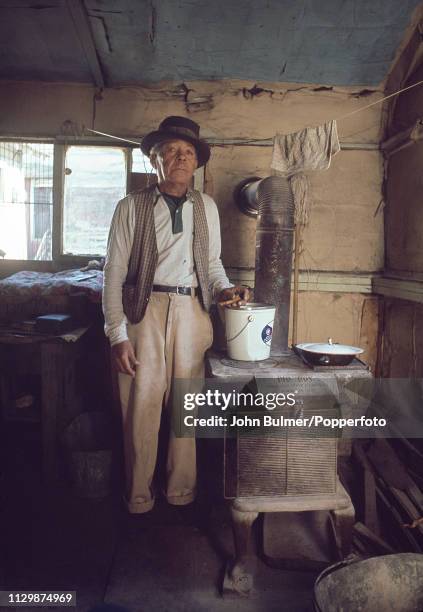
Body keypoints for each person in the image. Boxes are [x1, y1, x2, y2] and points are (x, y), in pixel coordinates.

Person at [102, 116, 249, 513]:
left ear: (197, 162)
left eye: (188, 152)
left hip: (193, 313)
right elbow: (113, 273)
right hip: (143, 313)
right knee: (142, 407)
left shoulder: (207, 207)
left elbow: (213, 264)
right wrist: (117, 335)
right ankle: (138, 497)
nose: (180, 158)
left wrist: (224, 290)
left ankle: (181, 491)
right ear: (155, 159)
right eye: (171, 151)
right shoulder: (131, 207)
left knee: (186, 408)